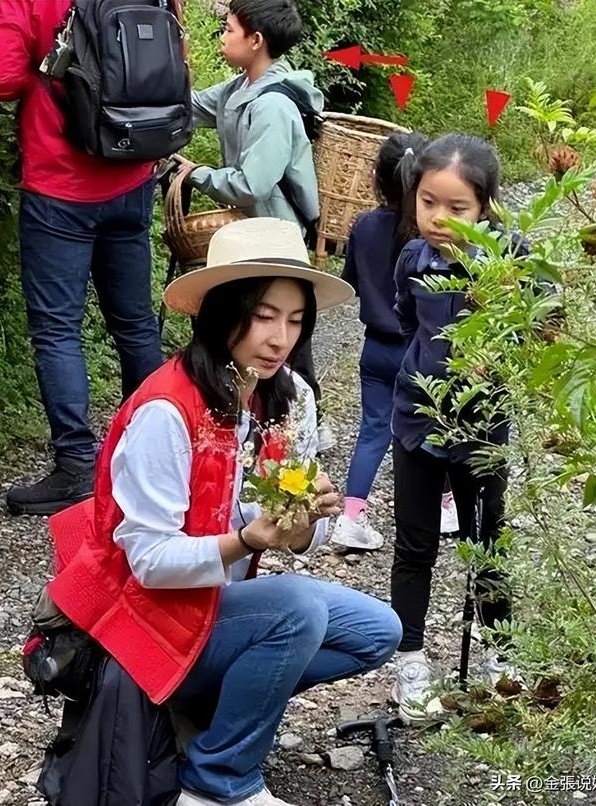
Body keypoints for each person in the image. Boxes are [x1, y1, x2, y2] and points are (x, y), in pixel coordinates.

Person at [45, 217, 403, 806]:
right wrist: (246, 541)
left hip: (214, 605)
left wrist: (304, 523)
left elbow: (291, 539)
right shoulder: (166, 410)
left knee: (375, 631)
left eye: (294, 320)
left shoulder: (287, 395)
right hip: (143, 614)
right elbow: (151, 563)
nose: (279, 338)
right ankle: (218, 780)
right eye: (263, 315)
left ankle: (220, 708)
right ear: (221, 311)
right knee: (295, 609)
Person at [0, 0, 164, 516]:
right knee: (133, 322)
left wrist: (42, 78)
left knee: (58, 329)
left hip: (60, 183)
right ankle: (153, 453)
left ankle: (77, 467)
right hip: (133, 169)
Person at [390, 134, 518, 717]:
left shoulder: (509, 264)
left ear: (486, 206)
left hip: (483, 424)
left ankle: (500, 660)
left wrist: (497, 352)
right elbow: (403, 317)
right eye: (427, 202)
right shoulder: (412, 260)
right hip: (417, 415)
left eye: (457, 208)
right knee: (414, 546)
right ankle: (410, 664)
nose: (438, 219)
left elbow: (538, 334)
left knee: (486, 545)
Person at [188, 0, 332, 449]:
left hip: (277, 238)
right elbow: (189, 105)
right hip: (249, 239)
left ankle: (302, 430)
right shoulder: (237, 90)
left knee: (284, 335)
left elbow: (252, 183)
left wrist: (194, 174)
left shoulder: (272, 106)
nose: (222, 36)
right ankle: (243, 423)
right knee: (246, 329)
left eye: (229, 29)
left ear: (256, 41)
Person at [330, 131, 429, 551]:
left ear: (377, 178)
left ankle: (351, 517)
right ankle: (442, 507)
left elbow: (350, 282)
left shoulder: (364, 225)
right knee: (429, 429)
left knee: (373, 431)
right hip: (419, 350)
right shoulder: (428, 238)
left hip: (375, 349)